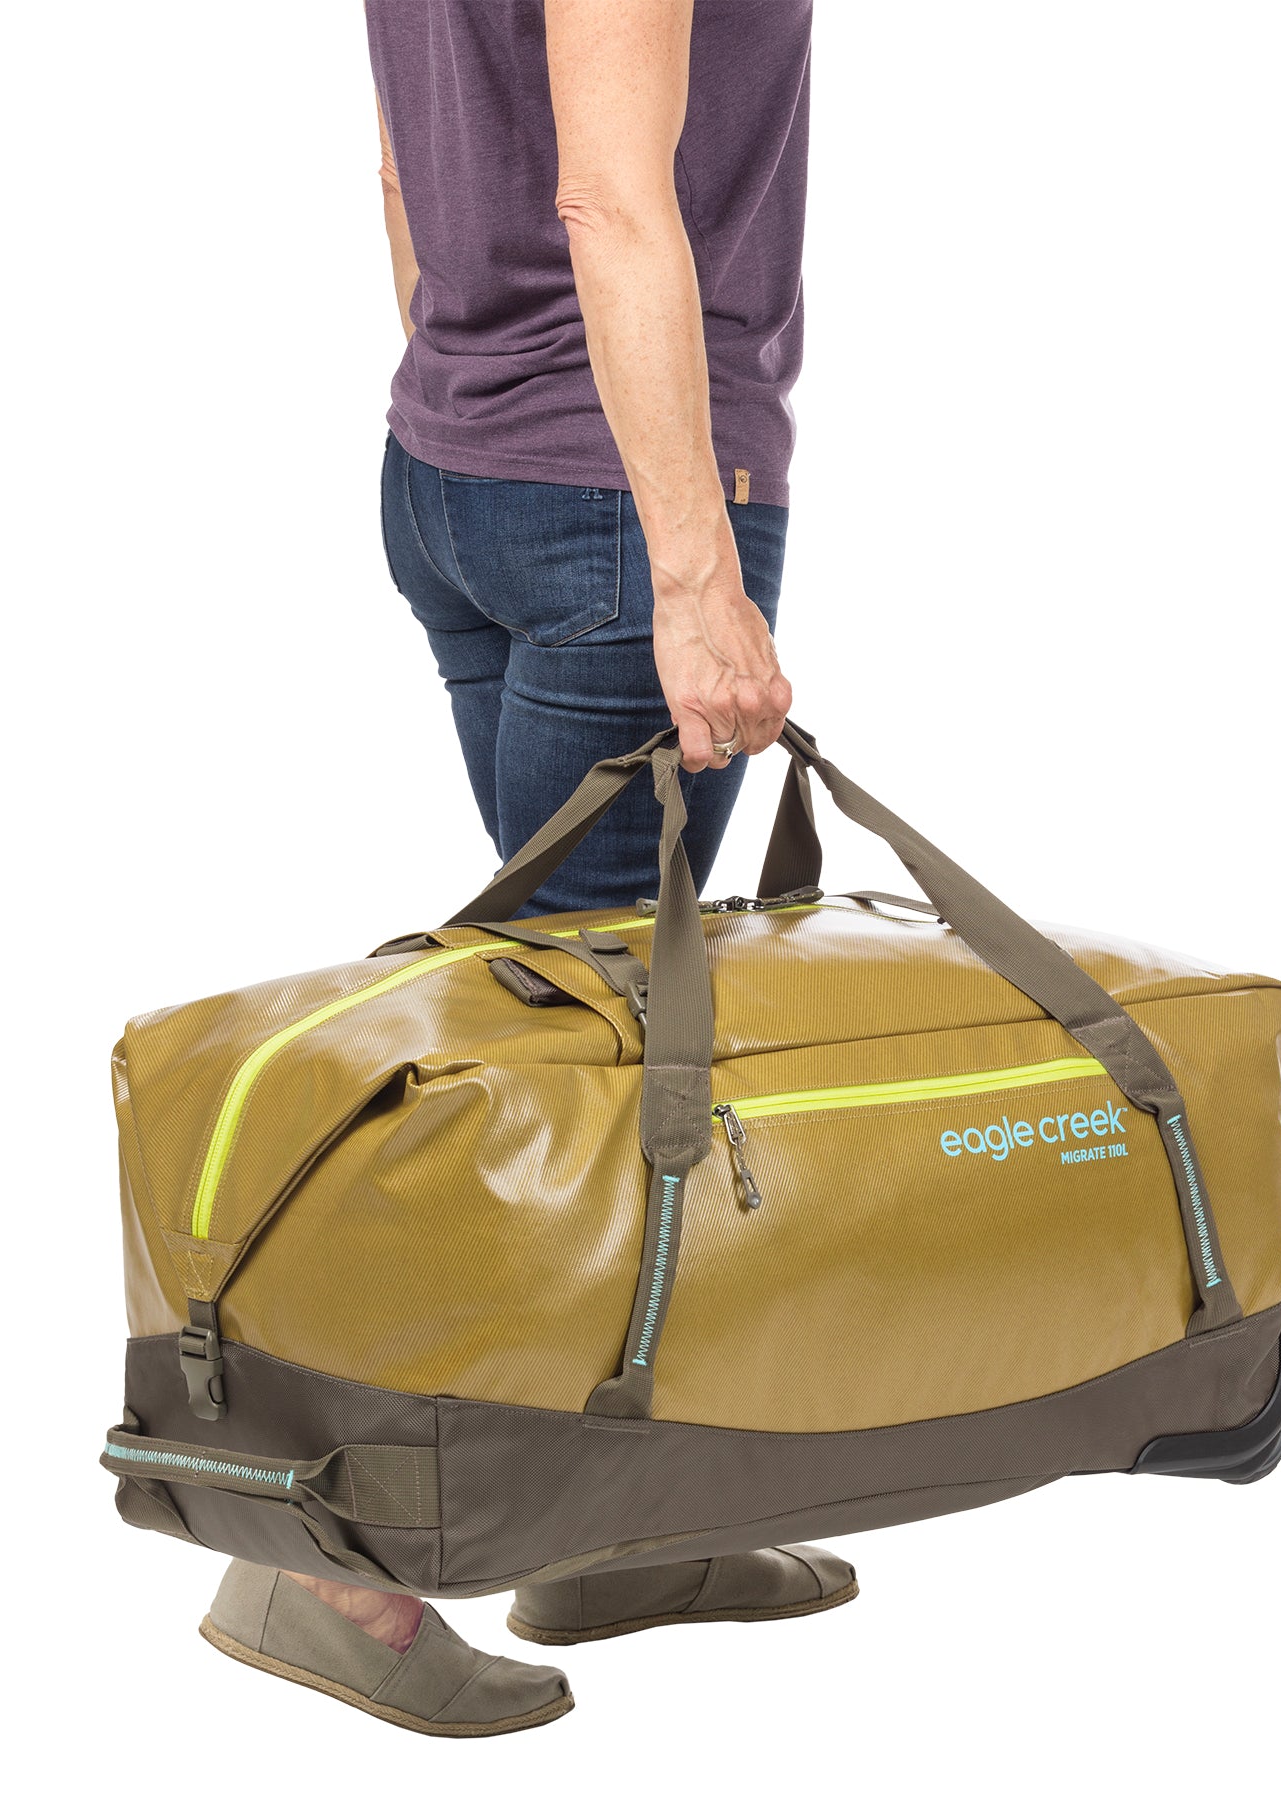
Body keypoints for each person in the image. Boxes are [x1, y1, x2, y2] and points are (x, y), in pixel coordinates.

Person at [196, 2, 857, 1738]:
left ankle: (617, 1528)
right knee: (556, 1071)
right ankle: (316, 1559)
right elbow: (607, 198)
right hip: (616, 506)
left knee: (591, 1035)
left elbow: (407, 163)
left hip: (462, 466)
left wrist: (486, 396)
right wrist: (693, 577)